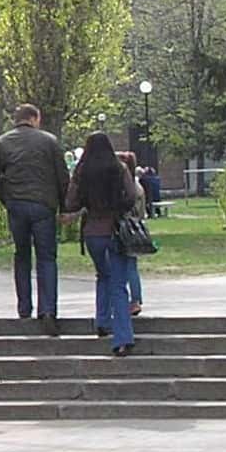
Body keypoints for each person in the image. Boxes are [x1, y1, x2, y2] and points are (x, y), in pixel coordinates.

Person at [0, 103, 71, 329]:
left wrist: (7, 198)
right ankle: (48, 310)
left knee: (21, 255)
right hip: (44, 205)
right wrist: (64, 206)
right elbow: (62, 177)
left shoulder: (1, 143)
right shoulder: (49, 141)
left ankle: (24, 308)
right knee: (47, 258)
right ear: (34, 118)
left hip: (17, 205)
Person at [66, 134, 143, 357]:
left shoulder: (81, 172)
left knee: (103, 275)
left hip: (92, 232)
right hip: (115, 230)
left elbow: (71, 202)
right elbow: (130, 197)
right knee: (119, 284)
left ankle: (102, 321)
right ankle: (122, 338)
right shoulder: (119, 169)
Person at [118, 151, 145, 318]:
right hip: (135, 226)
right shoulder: (138, 186)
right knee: (131, 265)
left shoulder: (128, 187)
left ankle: (133, 300)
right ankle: (136, 299)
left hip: (125, 227)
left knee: (126, 265)